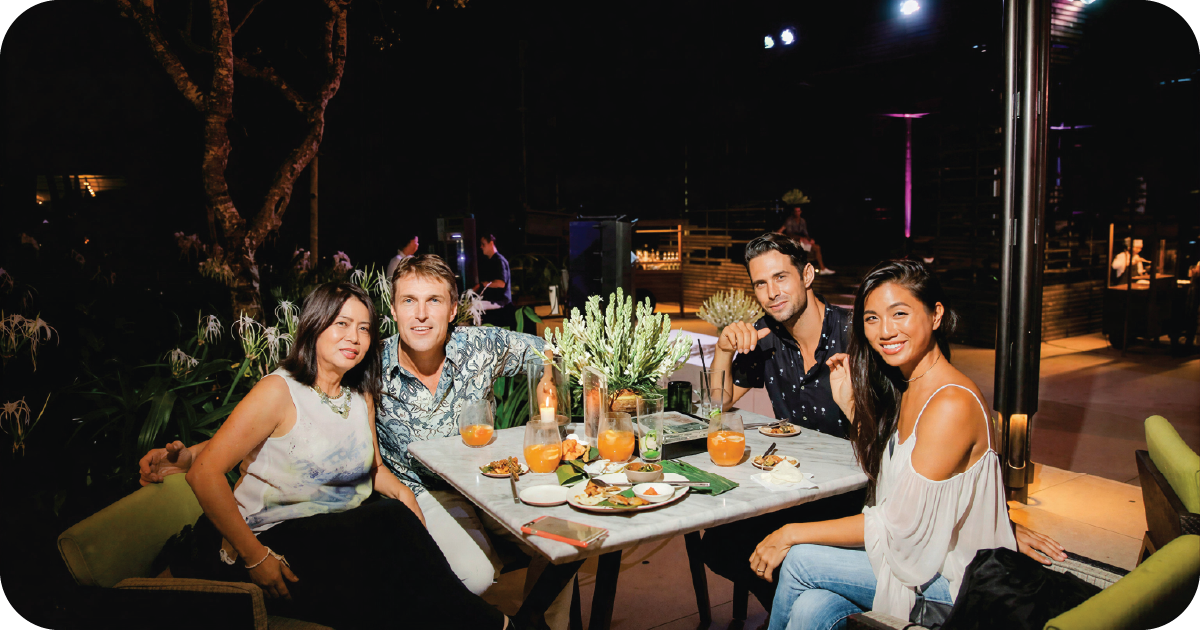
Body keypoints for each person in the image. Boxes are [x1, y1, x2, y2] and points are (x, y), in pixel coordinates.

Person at [143, 255, 573, 628]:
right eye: (341, 324)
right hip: (270, 537)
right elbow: (232, 453)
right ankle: (498, 625)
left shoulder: (359, 391)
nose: (353, 337)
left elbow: (368, 465)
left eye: (362, 328)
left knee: (562, 537)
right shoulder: (291, 388)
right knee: (393, 529)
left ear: (452, 308)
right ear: (315, 326)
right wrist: (187, 462)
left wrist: (551, 404)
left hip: (354, 529)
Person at [699, 234, 1064, 614]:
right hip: (814, 486)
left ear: (807, 274)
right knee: (732, 549)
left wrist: (997, 522)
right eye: (761, 283)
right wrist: (724, 350)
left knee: (791, 559)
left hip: (863, 494)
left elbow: (937, 457)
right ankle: (792, 606)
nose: (885, 331)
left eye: (781, 277)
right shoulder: (766, 337)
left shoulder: (864, 342)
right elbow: (718, 404)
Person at [778, 206, 834, 275]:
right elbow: (789, 234)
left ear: (800, 212)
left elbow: (805, 233)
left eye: (798, 211)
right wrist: (799, 238)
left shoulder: (802, 221)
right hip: (793, 241)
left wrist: (809, 239)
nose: (797, 213)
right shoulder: (789, 220)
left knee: (817, 247)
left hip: (802, 241)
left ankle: (822, 269)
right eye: (795, 211)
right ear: (793, 212)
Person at [474, 233, 513, 310]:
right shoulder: (492, 261)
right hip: (494, 301)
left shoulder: (499, 261)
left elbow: (501, 283)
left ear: (491, 243)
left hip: (500, 303)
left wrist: (482, 285)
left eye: (483, 244)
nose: (481, 247)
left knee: (472, 307)